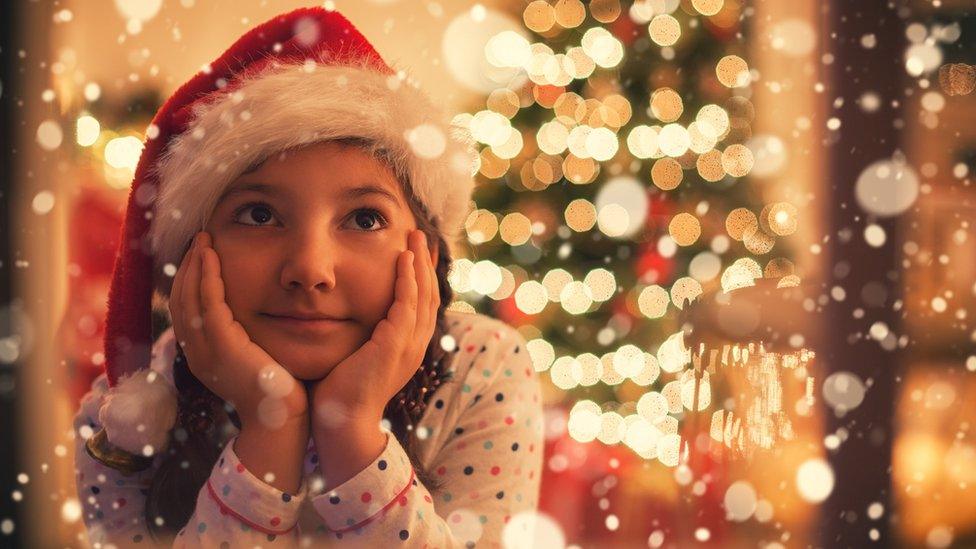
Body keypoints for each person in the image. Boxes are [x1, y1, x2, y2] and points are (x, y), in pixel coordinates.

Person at [72, 7, 544, 547]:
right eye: (259, 215)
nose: (310, 270)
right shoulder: (125, 420)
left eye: (365, 219)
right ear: (192, 251)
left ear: (428, 254)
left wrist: (352, 430)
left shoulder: (480, 370)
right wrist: (270, 425)